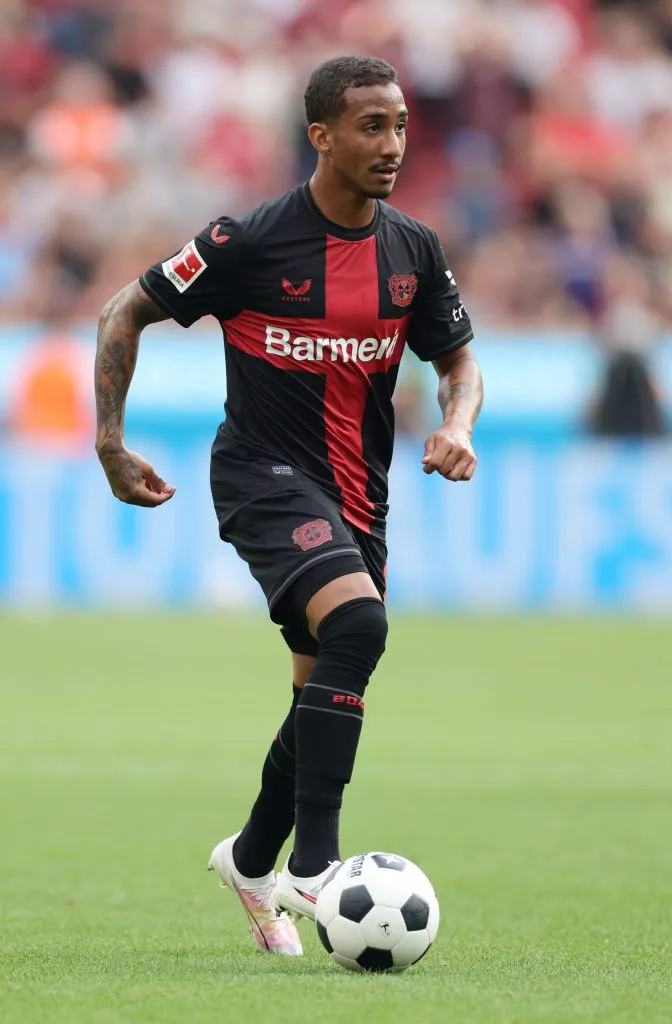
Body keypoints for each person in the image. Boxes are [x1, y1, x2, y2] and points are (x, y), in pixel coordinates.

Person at [94, 56, 483, 956]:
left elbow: (457, 360)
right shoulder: (247, 243)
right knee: (360, 627)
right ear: (321, 136)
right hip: (261, 474)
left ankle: (252, 855)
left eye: (397, 125)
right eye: (369, 126)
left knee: (320, 686)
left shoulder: (413, 251)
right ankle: (316, 865)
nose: (390, 145)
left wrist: (458, 422)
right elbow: (122, 312)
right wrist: (111, 442)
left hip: (359, 492)